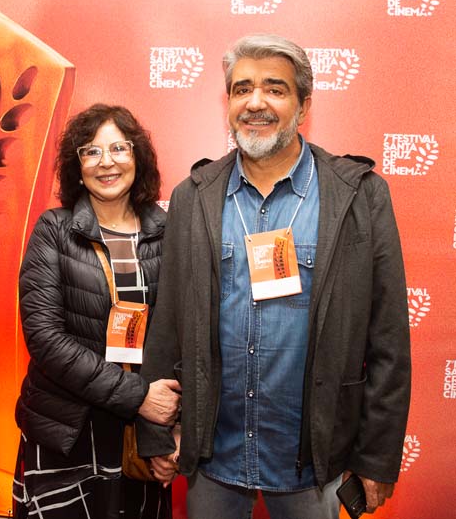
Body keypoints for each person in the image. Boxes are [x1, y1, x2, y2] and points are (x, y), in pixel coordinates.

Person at [136, 34, 411, 519]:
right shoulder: (192, 196)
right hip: (214, 456)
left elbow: (388, 338)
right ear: (228, 103)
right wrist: (157, 433)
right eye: (242, 89)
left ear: (304, 105)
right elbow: (167, 324)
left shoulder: (360, 196)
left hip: (313, 459)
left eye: (275, 89)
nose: (255, 102)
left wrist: (377, 458)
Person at [12, 104, 181, 519]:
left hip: (142, 434)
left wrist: (172, 433)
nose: (106, 162)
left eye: (119, 148)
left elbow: (186, 337)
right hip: (67, 432)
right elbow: (45, 339)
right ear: (77, 166)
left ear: (138, 157)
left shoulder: (169, 234)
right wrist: (137, 396)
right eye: (91, 151)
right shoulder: (54, 230)